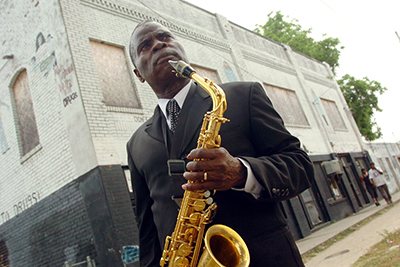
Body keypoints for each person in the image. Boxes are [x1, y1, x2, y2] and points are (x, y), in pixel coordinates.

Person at [126, 20, 314, 267]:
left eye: (166, 37)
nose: (159, 44)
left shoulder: (242, 96)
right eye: (145, 45)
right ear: (138, 74)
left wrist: (241, 172)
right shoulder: (136, 143)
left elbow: (300, 166)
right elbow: (147, 231)